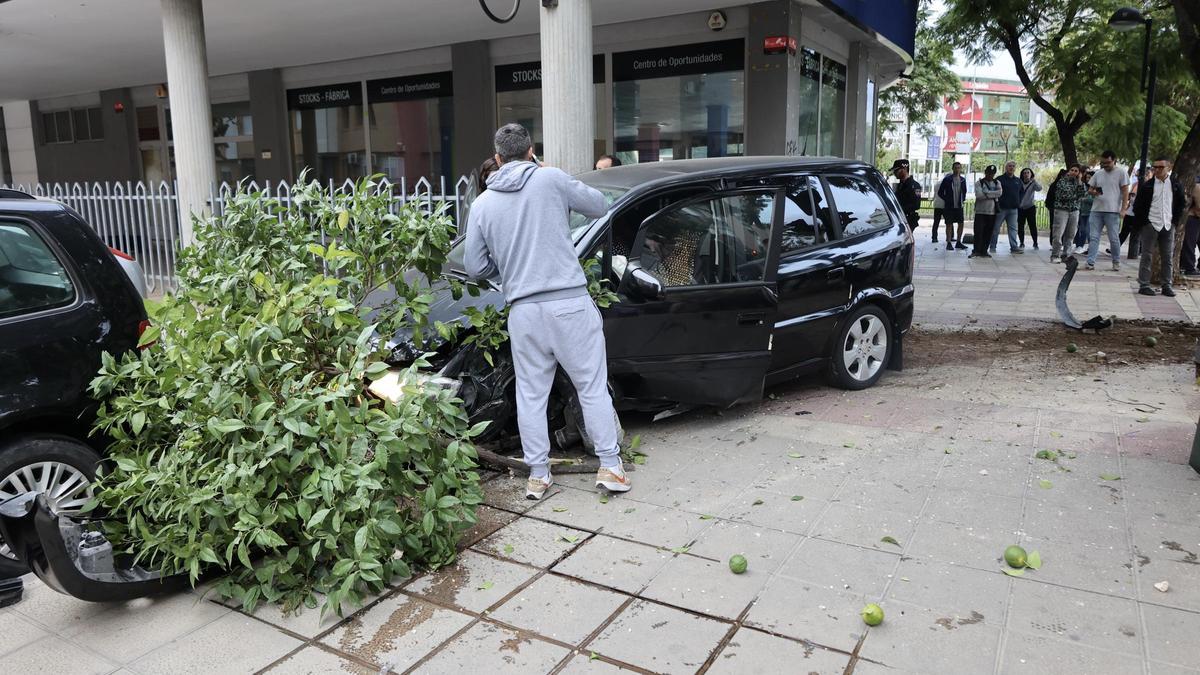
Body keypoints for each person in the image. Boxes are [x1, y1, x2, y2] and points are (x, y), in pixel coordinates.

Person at [465, 123, 630, 500]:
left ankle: (538, 475)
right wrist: (546, 174)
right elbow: (599, 205)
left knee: (530, 393)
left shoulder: (482, 204)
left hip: (523, 309)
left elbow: (475, 267)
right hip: (568, 302)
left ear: (496, 157)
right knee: (590, 387)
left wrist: (508, 273)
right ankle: (610, 467)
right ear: (531, 151)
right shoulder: (550, 179)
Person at [1133, 156, 1187, 297]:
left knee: (1167, 257)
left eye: (1160, 167)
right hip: (1151, 224)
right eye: (1154, 167)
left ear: (1168, 168)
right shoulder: (1147, 185)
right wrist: (1145, 222)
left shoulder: (1175, 184)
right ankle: (1144, 284)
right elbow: (1138, 206)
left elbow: (1181, 203)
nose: (1157, 170)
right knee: (1146, 256)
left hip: (1168, 225)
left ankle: (1166, 285)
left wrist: (1175, 221)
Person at [1087, 150, 1130, 272]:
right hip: (1096, 210)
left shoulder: (1121, 173)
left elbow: (1126, 192)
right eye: (1103, 162)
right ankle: (1090, 262)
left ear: (1114, 160)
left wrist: (1123, 209)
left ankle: (1116, 261)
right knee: (1094, 237)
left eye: (1108, 162)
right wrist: (1093, 192)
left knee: (1114, 238)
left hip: (1112, 211)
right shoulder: (1098, 174)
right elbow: (1090, 189)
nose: (1105, 165)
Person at [1049, 164, 1087, 263]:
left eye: (1076, 171)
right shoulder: (1062, 181)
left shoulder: (1080, 183)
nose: (1074, 172)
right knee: (1058, 234)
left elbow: (1083, 194)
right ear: (1068, 171)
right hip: (1062, 210)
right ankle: (1055, 255)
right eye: (1072, 170)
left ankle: (1066, 254)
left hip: (1074, 210)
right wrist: (1076, 196)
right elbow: (1065, 195)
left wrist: (1079, 181)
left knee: (1071, 234)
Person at [970, 165, 1002, 259]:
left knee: (988, 232)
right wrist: (993, 194)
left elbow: (1000, 193)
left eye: (992, 174)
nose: (990, 175)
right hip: (980, 211)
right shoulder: (979, 183)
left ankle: (984, 251)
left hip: (992, 212)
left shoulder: (997, 182)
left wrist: (987, 192)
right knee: (978, 232)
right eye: (988, 173)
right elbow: (979, 195)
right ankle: (976, 250)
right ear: (985, 172)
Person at [937, 162, 969, 251]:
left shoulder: (963, 180)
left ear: (961, 169)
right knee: (949, 224)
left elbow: (964, 191)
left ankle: (958, 241)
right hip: (949, 206)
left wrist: (963, 199)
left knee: (961, 223)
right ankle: (949, 242)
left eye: (959, 167)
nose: (957, 169)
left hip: (959, 206)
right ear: (952, 168)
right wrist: (947, 199)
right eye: (955, 167)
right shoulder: (947, 179)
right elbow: (940, 192)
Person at [993, 160, 1024, 254]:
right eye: (1009, 166)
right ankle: (992, 246)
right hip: (1001, 209)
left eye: (1013, 166)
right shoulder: (999, 179)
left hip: (1013, 209)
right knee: (995, 228)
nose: (1011, 168)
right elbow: (994, 192)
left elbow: (1021, 192)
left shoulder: (1018, 180)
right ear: (1006, 168)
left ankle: (1014, 247)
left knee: (1013, 229)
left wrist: (1019, 202)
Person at [891, 159, 922, 234]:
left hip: (908, 218)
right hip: (899, 217)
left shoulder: (914, 185)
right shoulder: (900, 185)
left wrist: (900, 209)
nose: (894, 173)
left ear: (904, 169)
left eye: (896, 170)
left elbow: (916, 205)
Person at [1017, 168, 1042, 250]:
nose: (1026, 174)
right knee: (1020, 226)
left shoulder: (1033, 184)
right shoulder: (1019, 183)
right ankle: (1021, 243)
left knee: (1032, 226)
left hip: (1030, 207)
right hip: (1020, 208)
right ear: (1022, 174)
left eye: (1028, 172)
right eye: (1024, 173)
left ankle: (1035, 243)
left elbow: (1039, 188)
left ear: (1031, 174)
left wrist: (1034, 181)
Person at [1073, 169, 1095, 254]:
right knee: (1082, 230)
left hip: (1091, 212)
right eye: (1087, 177)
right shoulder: (1085, 187)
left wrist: (1084, 199)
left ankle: (1091, 248)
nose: (1088, 179)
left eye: (1090, 177)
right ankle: (1080, 246)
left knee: (1088, 231)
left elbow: (1094, 200)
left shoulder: (1095, 188)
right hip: (1083, 212)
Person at [1182, 176, 1200, 277]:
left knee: (1190, 243)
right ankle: (1189, 267)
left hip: (1194, 217)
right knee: (1189, 243)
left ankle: (1188, 266)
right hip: (1193, 218)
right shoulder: (1197, 186)